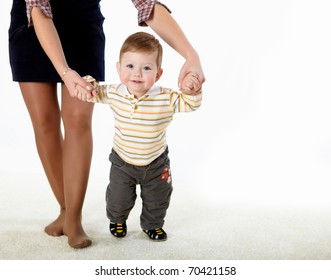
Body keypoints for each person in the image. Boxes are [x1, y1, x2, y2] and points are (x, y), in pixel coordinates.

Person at [8, 0, 204, 249]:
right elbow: (39, 10)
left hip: (82, 28)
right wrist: (65, 72)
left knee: (78, 121)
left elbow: (148, 5)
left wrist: (191, 55)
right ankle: (65, 211)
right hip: (33, 27)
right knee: (44, 123)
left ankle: (74, 219)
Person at [81, 31, 202, 241]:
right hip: (122, 161)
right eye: (130, 66)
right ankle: (117, 220)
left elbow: (191, 104)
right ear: (118, 68)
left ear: (158, 74)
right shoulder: (115, 92)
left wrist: (192, 89)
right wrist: (87, 84)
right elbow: (93, 91)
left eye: (146, 68)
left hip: (156, 163)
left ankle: (152, 225)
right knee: (118, 197)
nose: (137, 73)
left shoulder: (166, 97)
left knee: (158, 198)